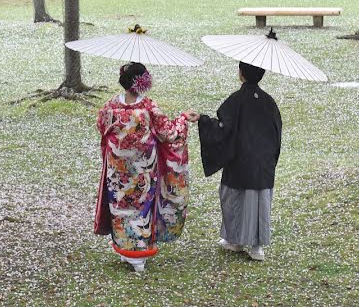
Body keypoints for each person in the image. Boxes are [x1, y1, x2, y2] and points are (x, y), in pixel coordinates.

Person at [94, 62, 196, 273]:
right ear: (143, 83)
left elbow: (101, 126)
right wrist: (184, 118)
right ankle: (137, 255)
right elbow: (169, 134)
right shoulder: (149, 107)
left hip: (118, 170)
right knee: (141, 208)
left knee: (121, 207)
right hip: (143, 170)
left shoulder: (110, 105)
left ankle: (124, 247)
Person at [187, 61, 282, 262]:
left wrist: (203, 120)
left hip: (240, 160)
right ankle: (256, 247)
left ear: (241, 74)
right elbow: (276, 132)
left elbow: (222, 128)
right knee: (260, 201)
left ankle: (235, 241)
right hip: (263, 162)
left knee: (234, 199)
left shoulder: (236, 100)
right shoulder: (269, 101)